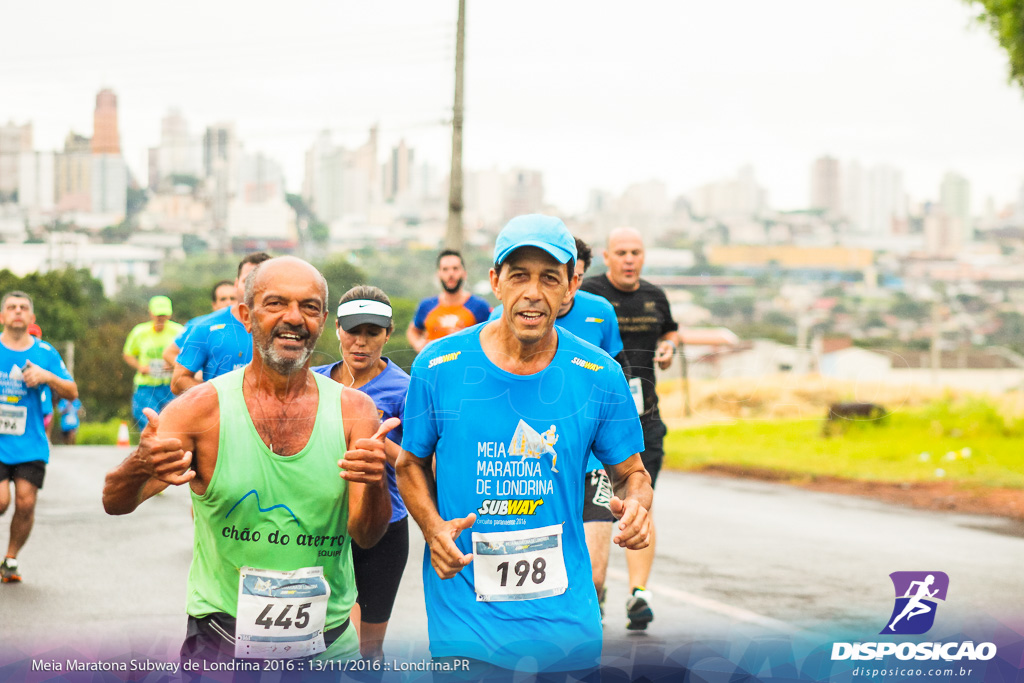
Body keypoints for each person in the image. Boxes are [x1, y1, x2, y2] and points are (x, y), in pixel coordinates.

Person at [102, 256, 393, 671]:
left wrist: (377, 481)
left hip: (327, 644)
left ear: (324, 320)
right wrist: (140, 464)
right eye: (275, 303)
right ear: (245, 315)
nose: (294, 318)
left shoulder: (356, 411)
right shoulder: (198, 410)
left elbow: (366, 535)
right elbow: (115, 501)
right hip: (221, 641)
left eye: (309, 307)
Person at [397, 214, 652, 677]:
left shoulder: (598, 375)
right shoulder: (439, 365)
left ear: (569, 289)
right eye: (519, 276)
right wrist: (433, 528)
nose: (533, 292)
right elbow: (409, 463)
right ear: (495, 282)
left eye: (549, 278)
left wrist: (637, 505)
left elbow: (632, 473)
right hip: (465, 624)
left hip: (565, 626)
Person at [494, 236, 626, 618]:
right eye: (523, 276)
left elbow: (618, 375)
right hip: (532, 466)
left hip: (590, 467)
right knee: (532, 579)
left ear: (573, 280)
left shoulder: (600, 312)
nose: (538, 291)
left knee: (594, 576)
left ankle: (588, 610)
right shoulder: (503, 320)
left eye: (557, 278)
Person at [580, 227, 680, 631]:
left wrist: (670, 345)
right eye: (621, 252)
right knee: (597, 507)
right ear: (607, 256)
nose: (628, 259)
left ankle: (639, 594)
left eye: (635, 252)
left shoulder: (655, 296)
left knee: (641, 500)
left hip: (645, 416)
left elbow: (669, 329)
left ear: (644, 256)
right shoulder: (590, 296)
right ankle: (595, 586)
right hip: (598, 421)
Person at [313, 285, 410, 661]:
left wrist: (375, 441)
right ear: (336, 328)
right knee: (327, 641)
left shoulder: (405, 389)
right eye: (353, 331)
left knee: (366, 649)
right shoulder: (315, 382)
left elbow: (416, 466)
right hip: (323, 525)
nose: (361, 343)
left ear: (388, 333)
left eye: (372, 333)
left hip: (383, 529)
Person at [0, 291, 78, 583]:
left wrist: (47, 377)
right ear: (3, 316)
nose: (17, 311)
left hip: (31, 442)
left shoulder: (45, 353)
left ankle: (10, 558)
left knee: (26, 503)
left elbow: (72, 391)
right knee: (1, 502)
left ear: (31, 318)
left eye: (23, 308)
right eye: (11, 307)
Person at [171, 253, 271, 395]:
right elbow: (178, 381)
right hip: (220, 417)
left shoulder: (284, 329)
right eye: (247, 281)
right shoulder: (206, 326)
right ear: (236, 284)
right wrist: (217, 397)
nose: (254, 288)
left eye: (262, 282)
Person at [406, 249, 490, 353]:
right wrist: (418, 344)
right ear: (438, 274)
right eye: (445, 269)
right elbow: (413, 330)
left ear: (464, 273)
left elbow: (491, 339)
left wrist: (467, 339)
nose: (451, 273)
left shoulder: (479, 306)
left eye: (455, 269)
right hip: (432, 366)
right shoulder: (426, 305)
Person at [123, 296, 183, 430]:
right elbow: (128, 354)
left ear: (170, 314)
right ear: (151, 313)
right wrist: (140, 367)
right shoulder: (140, 332)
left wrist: (174, 364)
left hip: (171, 385)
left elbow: (187, 354)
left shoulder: (178, 331)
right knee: (148, 423)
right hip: (146, 385)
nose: (160, 318)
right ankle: (152, 449)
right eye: (158, 314)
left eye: (164, 314)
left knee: (172, 425)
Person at [161, 278, 238, 371]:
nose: (228, 303)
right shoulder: (198, 325)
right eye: (223, 299)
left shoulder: (248, 326)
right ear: (214, 305)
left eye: (232, 298)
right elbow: (169, 353)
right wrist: (190, 372)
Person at [26, 324, 54, 435]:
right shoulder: (20, 353)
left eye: (35, 336)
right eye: (30, 336)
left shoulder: (47, 353)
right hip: (27, 407)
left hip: (45, 407)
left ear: (40, 337)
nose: (33, 339)